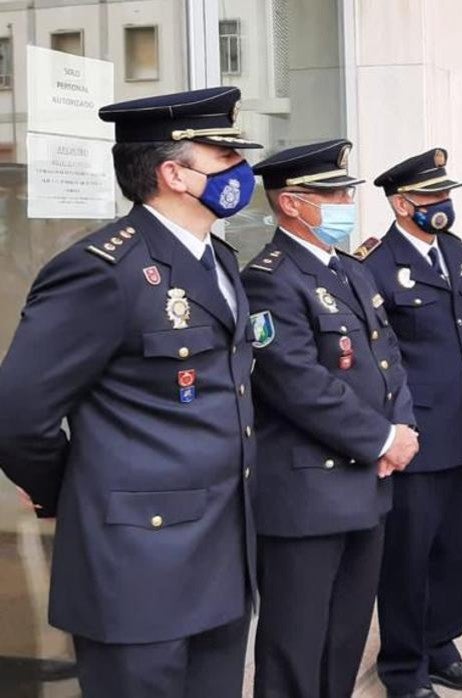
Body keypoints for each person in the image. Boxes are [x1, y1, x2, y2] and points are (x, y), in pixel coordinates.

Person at [0, 87, 260, 696]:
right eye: (225, 159)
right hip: (137, 569)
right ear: (174, 173)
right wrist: (69, 488)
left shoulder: (217, 260)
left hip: (222, 554)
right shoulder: (102, 269)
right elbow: (15, 414)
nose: (242, 172)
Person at [244, 139, 420, 698]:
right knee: (295, 645)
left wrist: (403, 431)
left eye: (344, 189)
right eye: (333, 192)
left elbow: (388, 357)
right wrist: (382, 438)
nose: (347, 200)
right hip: (306, 496)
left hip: (367, 484)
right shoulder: (269, 278)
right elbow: (295, 383)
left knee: (344, 637)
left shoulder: (350, 269)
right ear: (291, 203)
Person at [356, 148, 462, 698]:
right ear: (400, 203)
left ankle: (441, 647)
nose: (444, 205)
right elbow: (378, 360)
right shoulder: (374, 265)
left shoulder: (453, 251)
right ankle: (404, 668)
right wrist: (393, 431)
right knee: (407, 560)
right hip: (416, 435)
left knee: (455, 551)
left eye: (446, 195)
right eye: (432, 198)